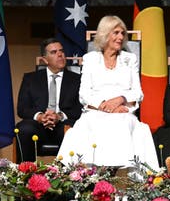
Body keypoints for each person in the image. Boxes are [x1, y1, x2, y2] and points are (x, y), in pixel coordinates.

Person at [57, 15, 159, 169]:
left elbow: (138, 93)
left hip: (123, 112)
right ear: (105, 34)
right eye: (116, 32)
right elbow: (84, 94)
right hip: (95, 111)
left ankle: (120, 173)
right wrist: (105, 106)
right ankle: (90, 176)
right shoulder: (90, 59)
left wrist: (120, 99)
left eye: (122, 33)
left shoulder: (130, 59)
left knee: (123, 124)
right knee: (90, 125)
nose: (120, 37)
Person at [15, 38, 82, 163]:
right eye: (54, 52)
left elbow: (80, 108)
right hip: (38, 126)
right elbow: (22, 109)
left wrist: (59, 116)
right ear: (45, 59)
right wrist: (40, 116)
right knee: (24, 129)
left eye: (61, 51)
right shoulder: (30, 79)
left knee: (73, 131)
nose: (60, 54)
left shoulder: (77, 79)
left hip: (63, 124)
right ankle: (25, 175)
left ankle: (70, 179)